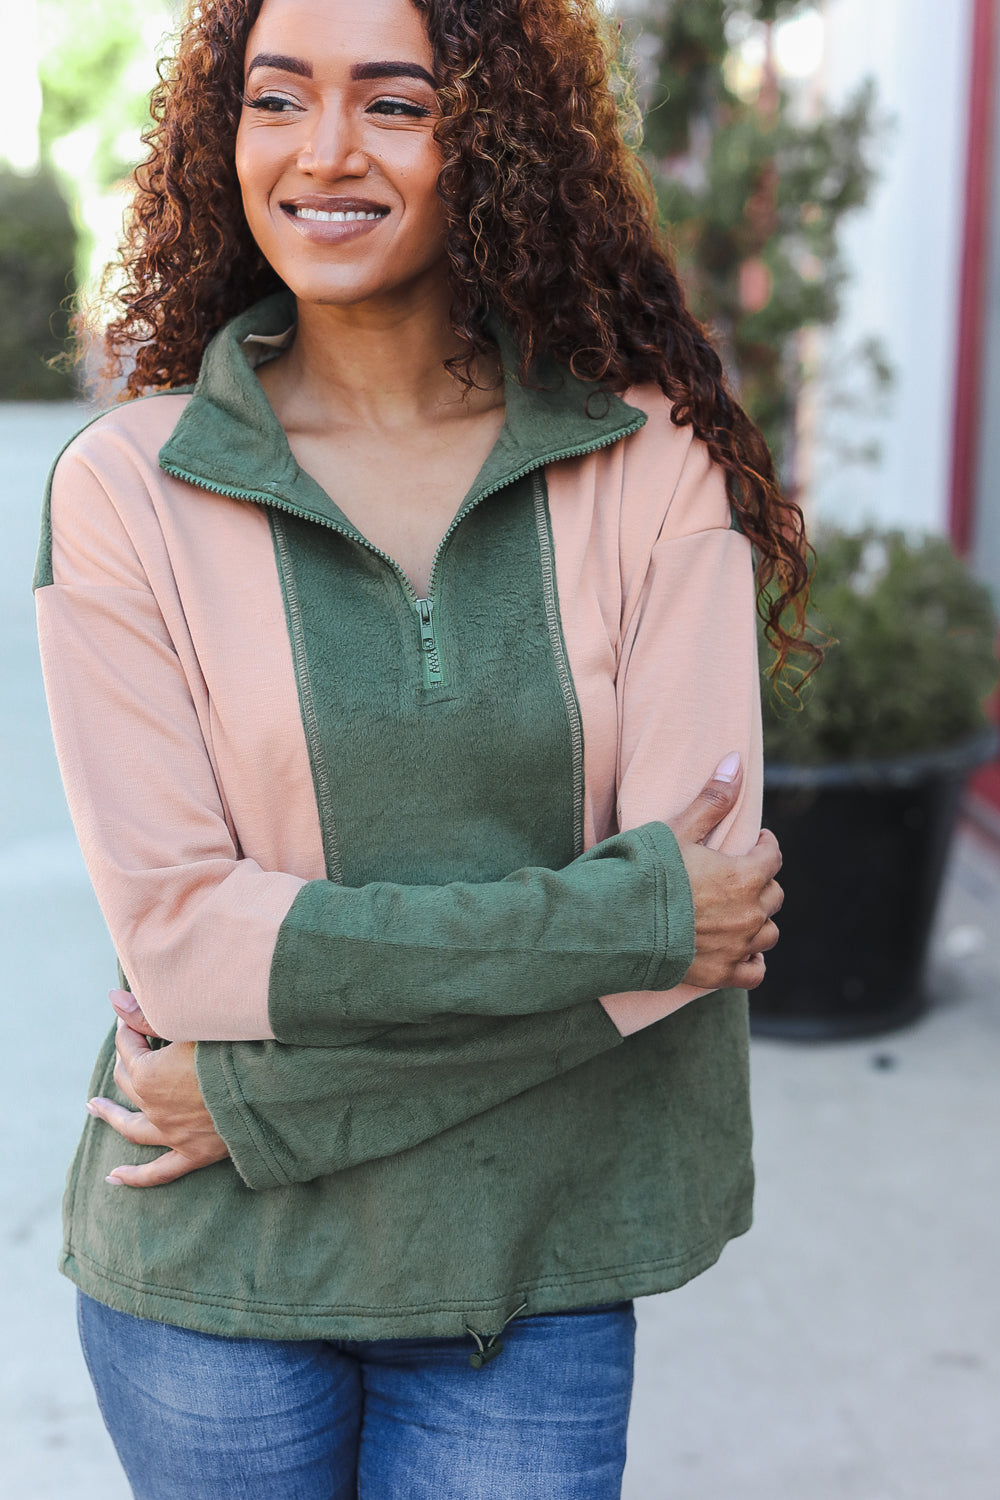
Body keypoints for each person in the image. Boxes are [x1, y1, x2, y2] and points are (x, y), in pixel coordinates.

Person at [35, 0, 810, 1495]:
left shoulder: (646, 464)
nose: (324, 152)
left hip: (527, 1272)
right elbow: (187, 945)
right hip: (213, 1290)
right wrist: (624, 916)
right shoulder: (129, 488)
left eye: (394, 105)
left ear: (498, 141)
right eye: (277, 100)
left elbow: (690, 941)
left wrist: (269, 1099)